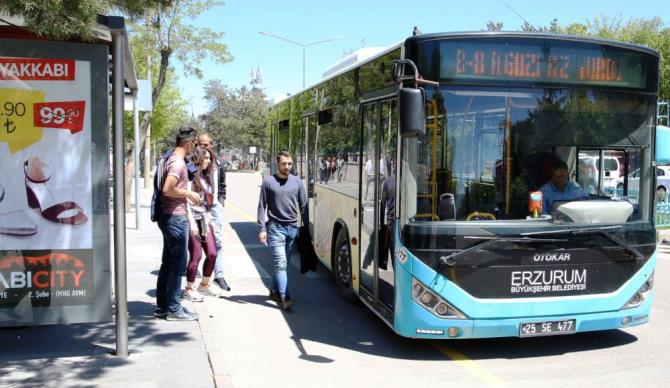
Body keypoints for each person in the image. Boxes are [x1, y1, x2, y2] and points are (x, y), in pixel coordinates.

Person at [155, 127, 201, 321]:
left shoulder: (171, 159)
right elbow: (168, 189)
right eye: (195, 144)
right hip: (175, 218)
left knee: (168, 263)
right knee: (177, 265)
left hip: (169, 217)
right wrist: (188, 193)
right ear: (188, 143)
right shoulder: (178, 163)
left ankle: (165, 305)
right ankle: (174, 309)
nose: (195, 148)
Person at [257, 150, 308, 311]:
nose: (287, 167)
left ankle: (273, 291)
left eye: (289, 164)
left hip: (292, 229)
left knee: (283, 264)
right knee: (281, 264)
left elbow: (304, 206)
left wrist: (305, 228)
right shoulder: (269, 182)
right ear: (277, 164)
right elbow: (261, 206)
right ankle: (285, 296)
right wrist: (261, 228)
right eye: (284, 164)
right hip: (275, 228)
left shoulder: (298, 182)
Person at [182, 146, 222, 301]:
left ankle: (204, 285)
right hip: (192, 219)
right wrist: (191, 223)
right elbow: (185, 201)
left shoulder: (207, 176)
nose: (207, 161)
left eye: (208, 158)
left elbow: (210, 199)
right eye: (204, 158)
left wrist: (211, 219)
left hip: (205, 218)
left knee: (212, 253)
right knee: (196, 255)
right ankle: (189, 288)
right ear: (197, 159)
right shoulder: (189, 177)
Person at [196, 133, 230, 291]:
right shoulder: (195, 163)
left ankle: (219, 274)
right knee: (196, 241)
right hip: (198, 208)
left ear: (211, 144)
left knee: (217, 241)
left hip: (214, 207)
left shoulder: (217, 163)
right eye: (200, 144)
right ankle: (193, 271)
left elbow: (222, 184)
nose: (203, 147)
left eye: (206, 144)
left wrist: (221, 201)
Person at [380, 160, 396, 270]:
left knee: (393, 248)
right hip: (399, 221)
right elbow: (382, 203)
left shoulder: (388, 181)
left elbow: (382, 203)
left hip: (392, 221)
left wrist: (382, 223)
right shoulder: (406, 181)